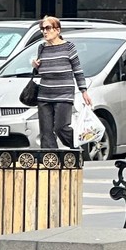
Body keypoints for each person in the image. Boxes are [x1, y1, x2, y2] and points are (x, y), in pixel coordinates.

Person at [33, 16, 91, 150]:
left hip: (64, 94)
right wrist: (35, 66)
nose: (44, 31)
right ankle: (50, 159)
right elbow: (40, 72)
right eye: (42, 29)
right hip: (44, 94)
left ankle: (79, 147)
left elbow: (77, 70)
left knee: (61, 127)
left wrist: (83, 91)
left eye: (48, 28)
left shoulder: (68, 47)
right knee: (46, 132)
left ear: (57, 30)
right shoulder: (41, 48)